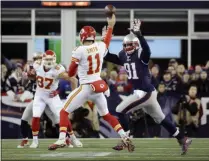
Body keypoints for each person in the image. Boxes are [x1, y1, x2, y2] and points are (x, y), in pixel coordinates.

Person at [103, 19, 192, 155]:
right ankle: (182, 138)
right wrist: (106, 39)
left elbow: (148, 51)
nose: (127, 47)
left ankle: (126, 139)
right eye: (125, 45)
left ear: (137, 45)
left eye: (130, 44)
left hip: (144, 92)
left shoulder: (141, 54)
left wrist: (139, 34)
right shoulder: (122, 55)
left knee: (120, 110)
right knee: (160, 118)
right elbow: (107, 55)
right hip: (145, 93)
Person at [48, 14, 135, 152]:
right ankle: (124, 136)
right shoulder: (100, 46)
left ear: (82, 37)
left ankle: (61, 139)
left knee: (64, 112)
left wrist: (66, 73)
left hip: (86, 87)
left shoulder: (79, 50)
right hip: (98, 86)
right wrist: (111, 26)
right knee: (107, 115)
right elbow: (106, 41)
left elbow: (71, 73)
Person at [29, 50, 81, 148]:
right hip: (39, 95)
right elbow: (33, 77)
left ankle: (73, 138)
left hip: (51, 96)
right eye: (47, 59)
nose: (49, 62)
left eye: (51, 59)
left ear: (55, 60)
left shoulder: (57, 69)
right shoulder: (37, 65)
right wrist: (30, 76)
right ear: (42, 59)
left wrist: (73, 96)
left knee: (62, 116)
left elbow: (73, 79)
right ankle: (35, 141)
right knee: (36, 116)